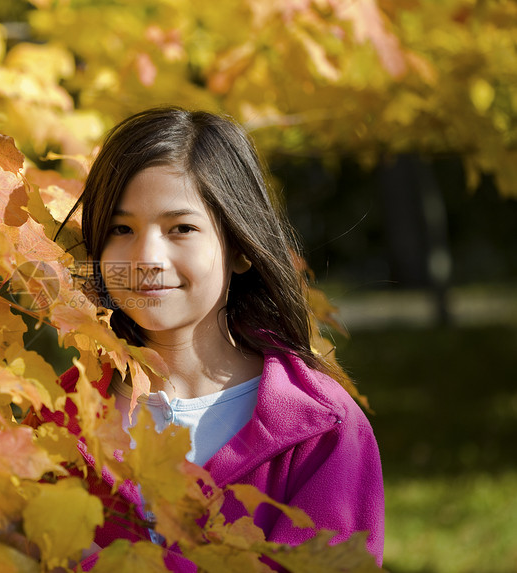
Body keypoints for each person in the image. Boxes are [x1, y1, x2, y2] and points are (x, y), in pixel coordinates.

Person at [38, 107, 385, 570]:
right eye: (122, 230)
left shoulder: (322, 431)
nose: (146, 257)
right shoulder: (56, 416)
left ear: (239, 246)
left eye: (181, 228)